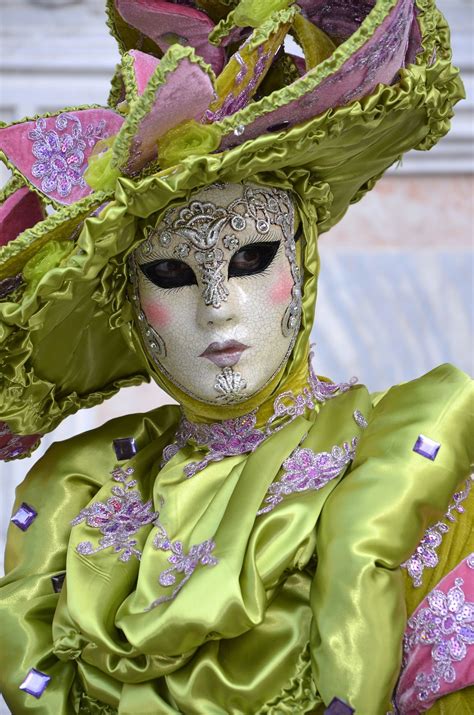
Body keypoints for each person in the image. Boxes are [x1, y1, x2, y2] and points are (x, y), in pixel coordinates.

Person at [0, 1, 472, 713]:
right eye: (173, 274)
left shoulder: (410, 464)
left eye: (251, 258)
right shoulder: (77, 502)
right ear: (130, 306)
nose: (218, 305)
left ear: (303, 264)